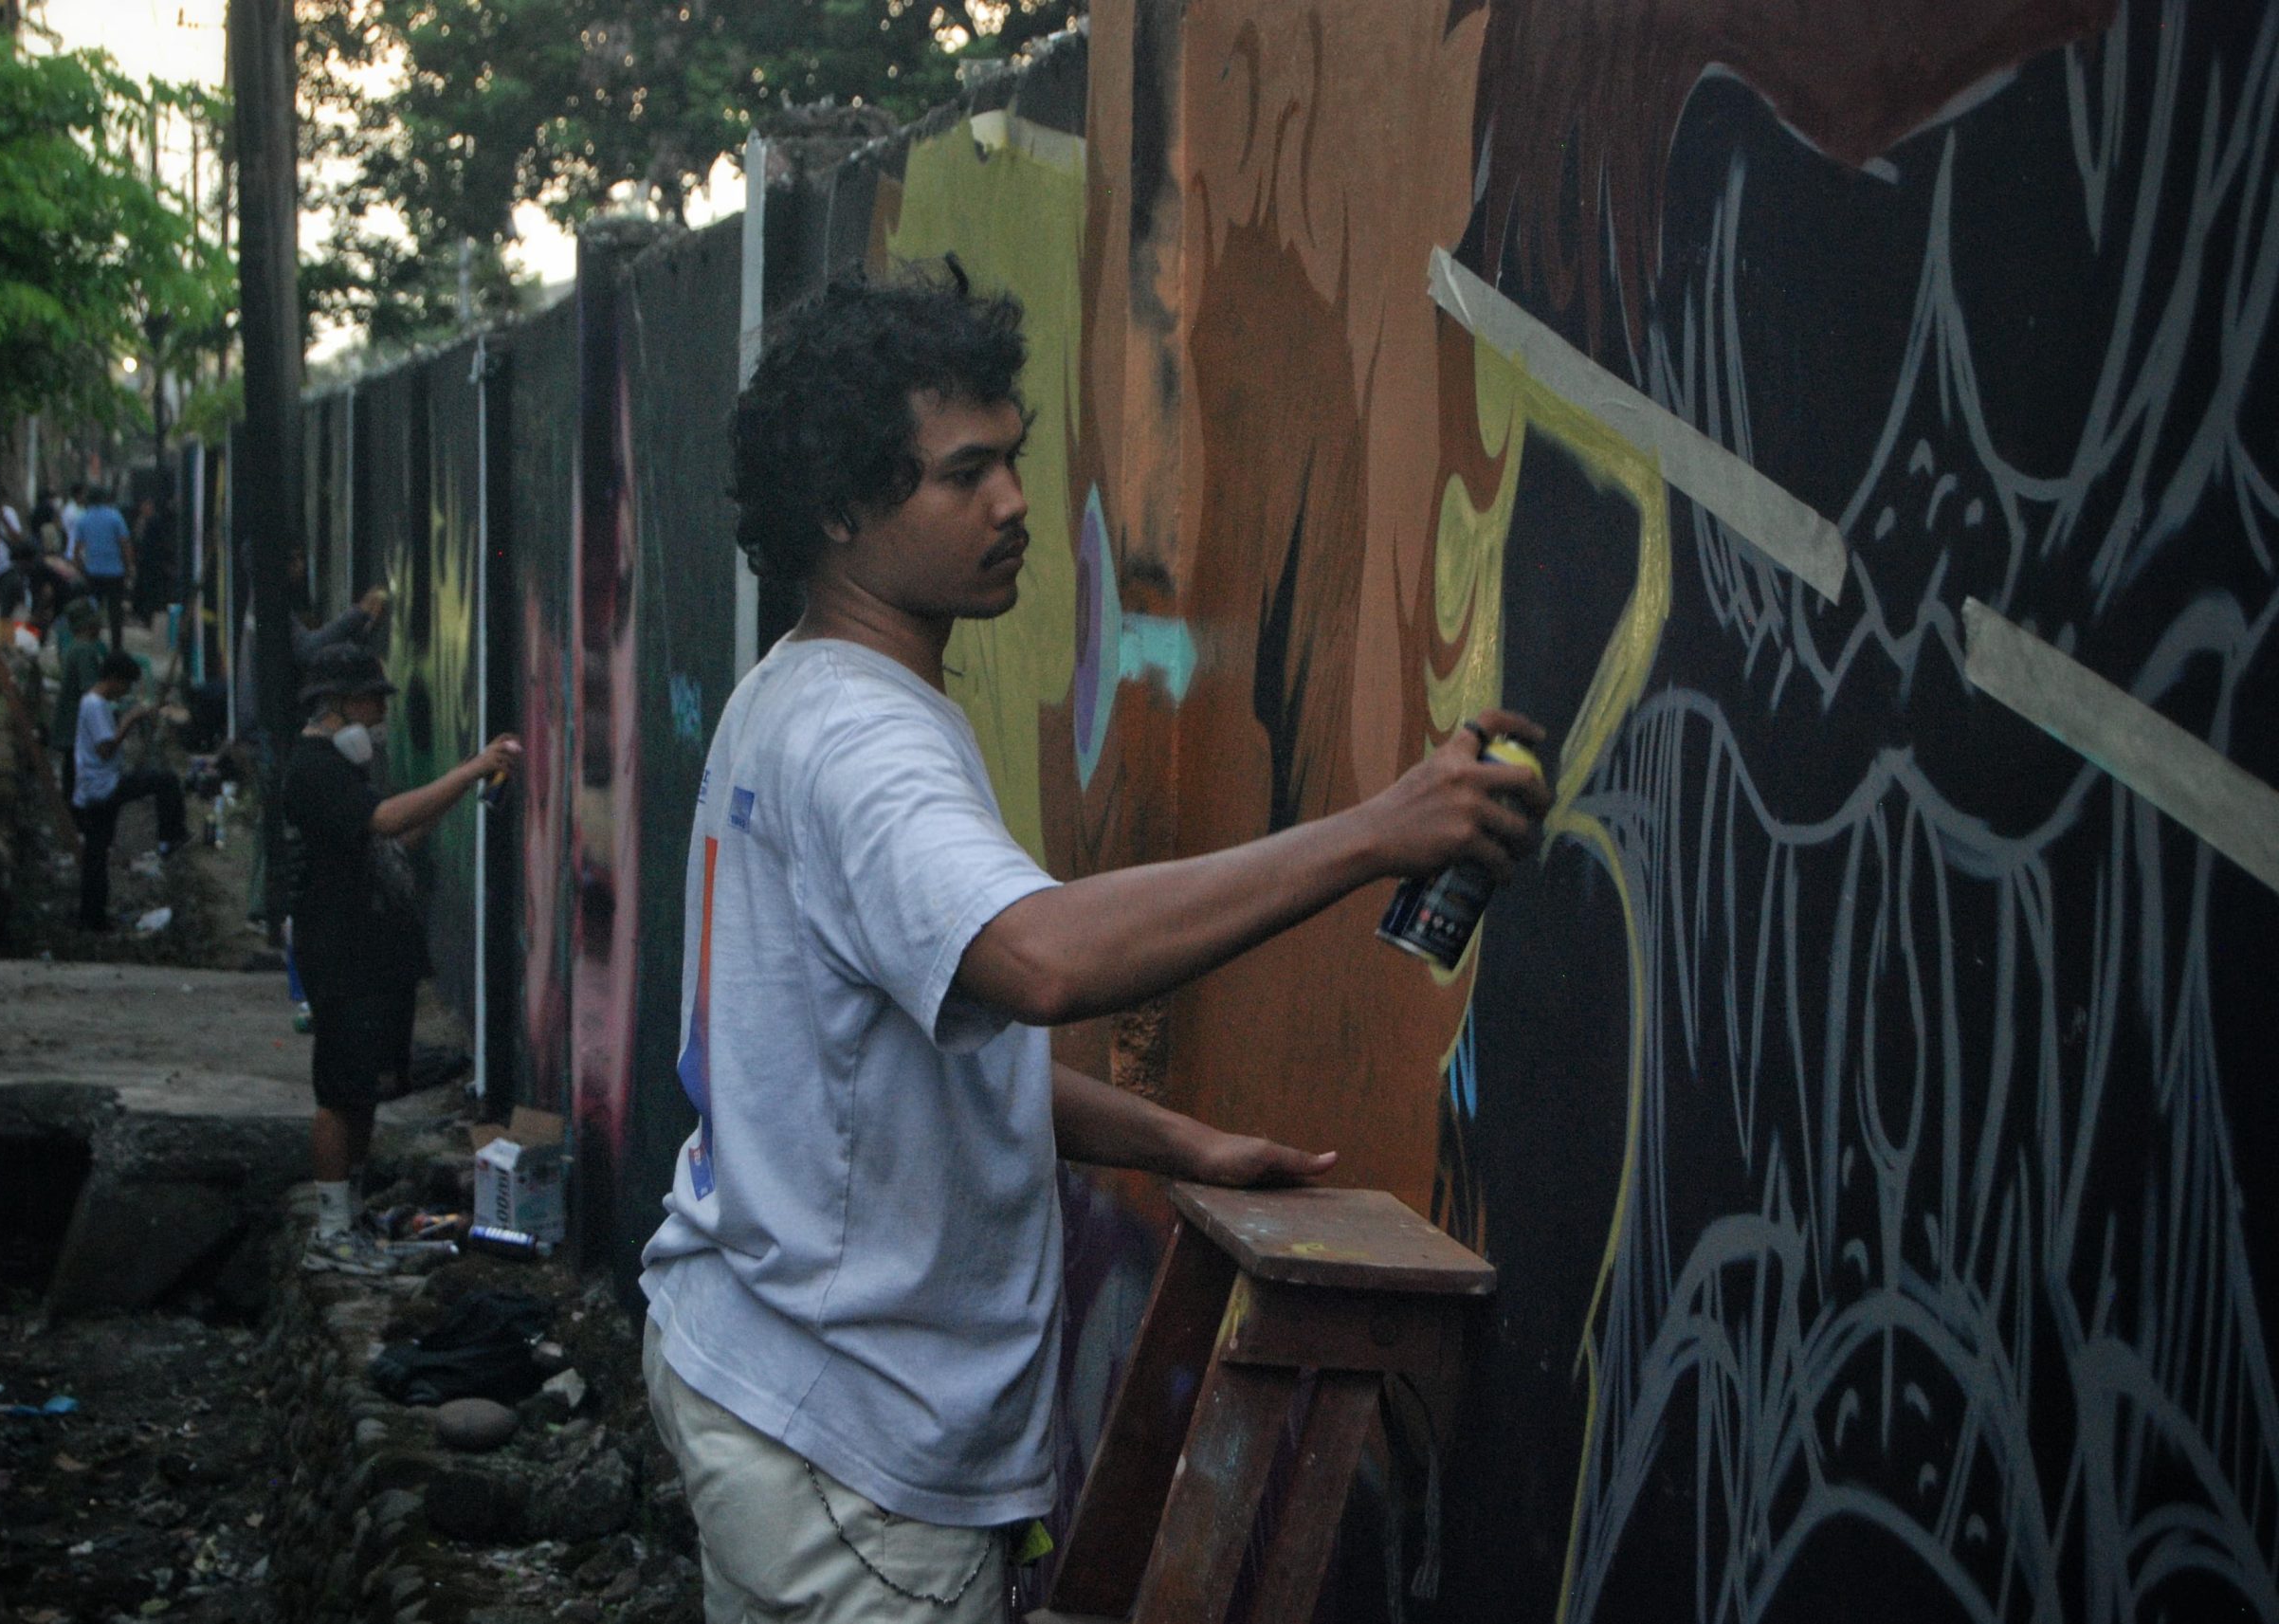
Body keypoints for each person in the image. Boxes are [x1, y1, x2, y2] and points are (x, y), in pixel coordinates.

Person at [636, 264, 1552, 1620]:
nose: (1013, 503)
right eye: (963, 475)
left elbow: (891, 1055)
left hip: (766, 1375)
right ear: (839, 511)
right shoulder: (867, 745)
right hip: (857, 1445)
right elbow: (1039, 961)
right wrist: (1381, 831)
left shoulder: (799, 692)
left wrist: (1175, 1142)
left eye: (1013, 458)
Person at [283, 644, 520, 1275]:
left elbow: (397, 830)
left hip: (372, 956)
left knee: (361, 1092)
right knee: (339, 1093)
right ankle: (332, 1232)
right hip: (342, 956)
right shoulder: (312, 769)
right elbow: (386, 821)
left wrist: (460, 791)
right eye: (368, 700)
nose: (377, 713)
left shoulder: (341, 769)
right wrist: (472, 769)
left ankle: (350, 1217)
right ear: (337, 702)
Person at [71, 650, 190, 932]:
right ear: (113, 679)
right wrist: (131, 719)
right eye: (125, 685)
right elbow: (105, 748)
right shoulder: (96, 705)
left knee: (96, 855)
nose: (125, 692)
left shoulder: (92, 703)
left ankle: (93, 917)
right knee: (166, 781)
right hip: (103, 787)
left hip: (93, 788)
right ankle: (170, 836)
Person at [50, 599, 108, 807]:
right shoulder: (85, 650)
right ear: (87, 626)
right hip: (75, 725)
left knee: (71, 772)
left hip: (70, 724)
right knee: (75, 775)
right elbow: (90, 689)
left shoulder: (75, 647)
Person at [67, 485, 133, 649]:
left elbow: (77, 550)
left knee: (93, 611)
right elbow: (125, 545)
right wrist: (129, 567)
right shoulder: (115, 517)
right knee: (115, 612)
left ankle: (93, 644)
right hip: (115, 572)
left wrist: (81, 569)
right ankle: (117, 647)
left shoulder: (83, 519)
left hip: (93, 573)